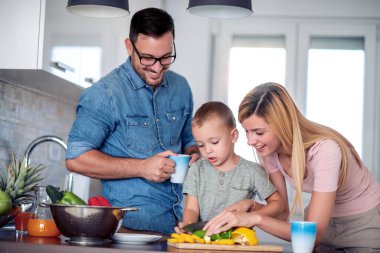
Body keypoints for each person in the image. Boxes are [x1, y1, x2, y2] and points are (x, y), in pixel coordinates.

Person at [65, 8, 199, 235]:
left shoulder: (181, 87)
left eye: (166, 57)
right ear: (129, 46)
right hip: (129, 230)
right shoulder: (104, 93)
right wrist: (142, 167)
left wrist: (195, 153)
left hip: (180, 228)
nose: (157, 68)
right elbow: (76, 159)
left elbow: (189, 138)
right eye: (147, 58)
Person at [203, 83, 380, 252]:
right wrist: (250, 206)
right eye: (247, 131)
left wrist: (253, 218)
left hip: (362, 224)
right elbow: (282, 213)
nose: (250, 141)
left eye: (259, 132)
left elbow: (313, 235)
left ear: (283, 124)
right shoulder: (269, 150)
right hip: (324, 225)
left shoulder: (326, 150)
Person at [175, 101, 284, 233]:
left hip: (240, 242)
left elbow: (278, 204)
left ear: (233, 136)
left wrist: (251, 216)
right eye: (201, 145)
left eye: (214, 142)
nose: (207, 150)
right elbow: (191, 209)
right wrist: (188, 226)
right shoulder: (196, 170)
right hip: (204, 241)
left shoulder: (252, 171)